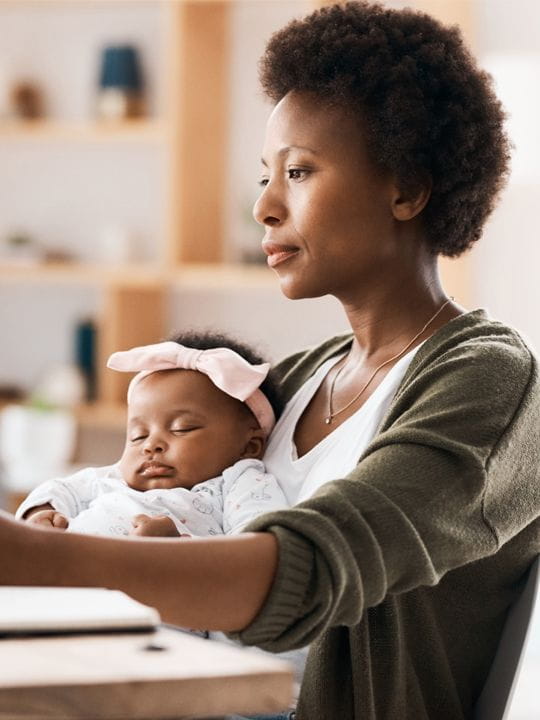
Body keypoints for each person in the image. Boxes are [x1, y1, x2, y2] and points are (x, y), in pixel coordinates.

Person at [1, 3, 539, 719]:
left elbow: (311, 568)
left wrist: (35, 561)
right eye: (265, 174)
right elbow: (137, 480)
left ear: (406, 189)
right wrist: (44, 514)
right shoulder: (292, 379)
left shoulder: (486, 380)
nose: (264, 206)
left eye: (300, 171)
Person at [16, 331, 287, 539]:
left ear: (249, 446)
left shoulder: (241, 484)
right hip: (65, 581)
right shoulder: (112, 479)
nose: (151, 445)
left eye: (182, 428)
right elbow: (58, 489)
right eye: (137, 435)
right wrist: (40, 513)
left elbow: (255, 553)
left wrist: (177, 546)